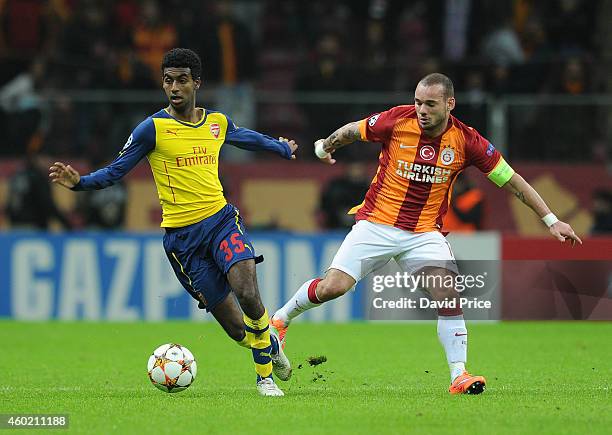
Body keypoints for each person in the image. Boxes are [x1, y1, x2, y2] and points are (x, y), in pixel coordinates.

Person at [271, 73, 582, 395]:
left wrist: (550, 220)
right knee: (333, 287)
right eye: (418, 102)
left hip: (423, 233)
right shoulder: (396, 120)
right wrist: (325, 147)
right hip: (376, 223)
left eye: (430, 104)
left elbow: (513, 181)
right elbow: (352, 131)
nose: (421, 109)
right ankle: (280, 320)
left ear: (450, 104)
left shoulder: (467, 140)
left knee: (448, 292)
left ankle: (458, 375)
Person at [49, 48, 297, 397]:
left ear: (197, 82)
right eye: (168, 80)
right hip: (183, 241)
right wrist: (81, 183)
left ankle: (264, 378)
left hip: (222, 222)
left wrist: (282, 147)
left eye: (182, 80)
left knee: (248, 292)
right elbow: (116, 170)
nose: (174, 87)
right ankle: (269, 342)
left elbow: (247, 138)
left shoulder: (216, 123)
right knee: (239, 331)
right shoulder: (151, 129)